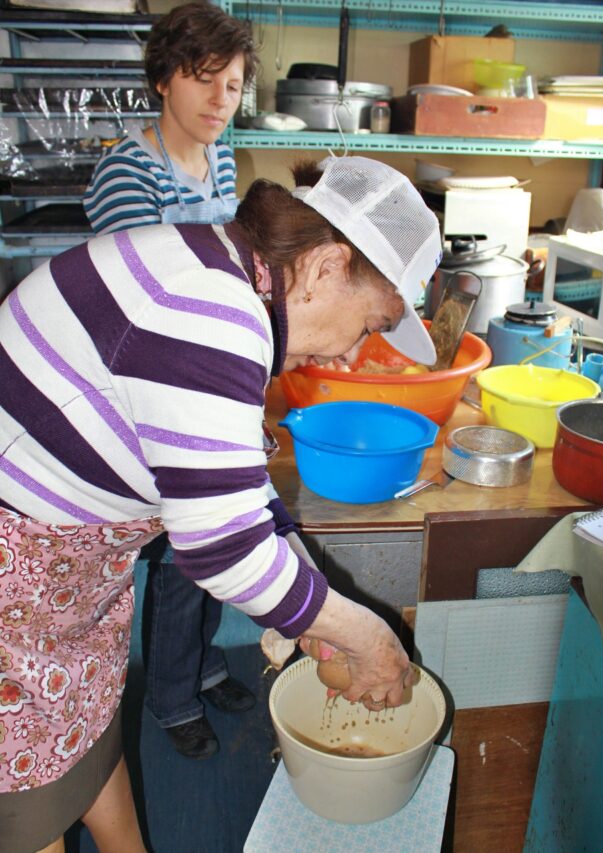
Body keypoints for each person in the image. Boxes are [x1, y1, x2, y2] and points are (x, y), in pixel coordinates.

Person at [0, 153, 442, 852]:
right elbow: (222, 548)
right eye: (369, 324)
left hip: (60, 576)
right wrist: (369, 635)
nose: (357, 355)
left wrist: (314, 609)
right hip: (16, 585)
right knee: (27, 810)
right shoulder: (214, 308)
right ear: (327, 267)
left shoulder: (225, 275)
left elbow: (239, 497)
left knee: (83, 743)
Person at [83, 1, 259, 760]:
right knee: (191, 547)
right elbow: (147, 303)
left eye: (235, 83)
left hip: (194, 372)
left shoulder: (218, 156)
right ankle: (169, 696)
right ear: (162, 79)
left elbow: (220, 260)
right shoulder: (128, 169)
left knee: (209, 540)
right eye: (205, 79)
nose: (222, 99)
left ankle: (197, 657)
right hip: (136, 384)